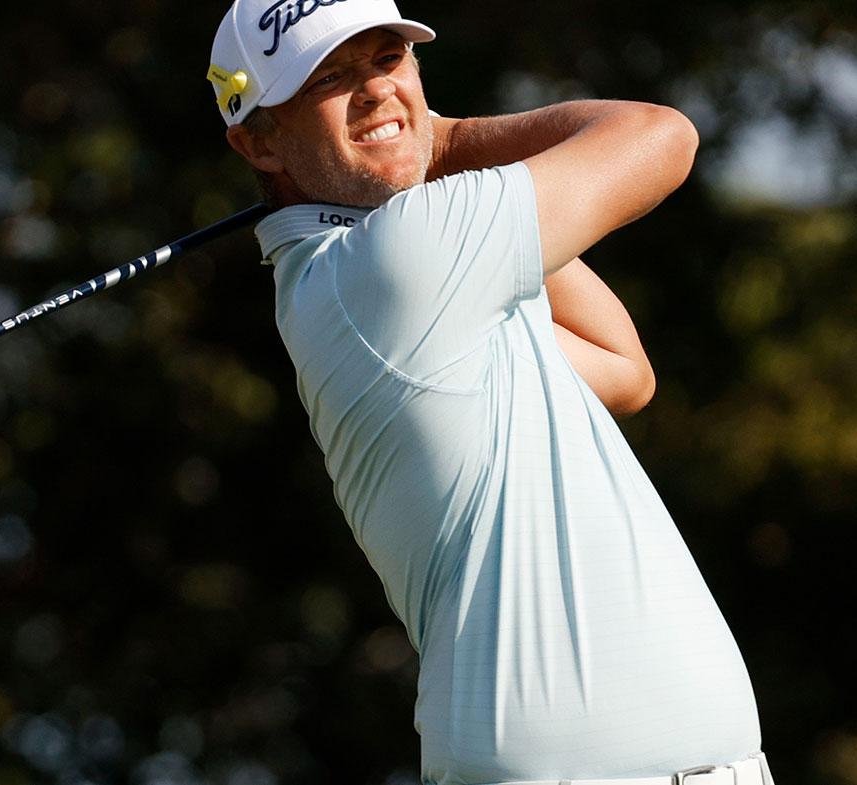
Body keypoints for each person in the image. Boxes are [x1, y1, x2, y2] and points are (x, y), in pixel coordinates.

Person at [207, 2, 772, 783]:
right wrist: (445, 140)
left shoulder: (396, 277)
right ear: (259, 142)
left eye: (388, 59)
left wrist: (416, 153)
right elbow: (661, 135)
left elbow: (623, 368)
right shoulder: (393, 261)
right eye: (328, 78)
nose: (376, 89)